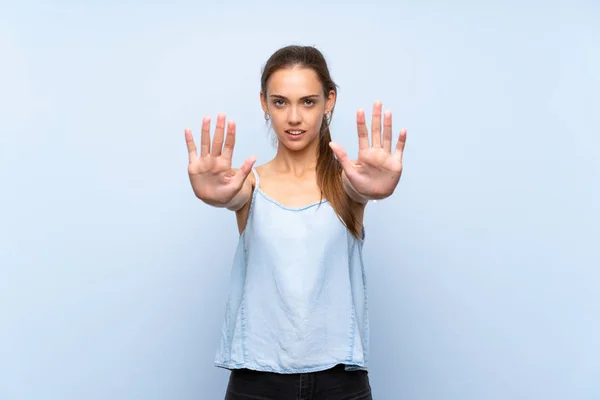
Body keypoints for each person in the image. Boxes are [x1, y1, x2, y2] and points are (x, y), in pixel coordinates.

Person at [184, 45, 407, 400]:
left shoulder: (348, 182)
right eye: (280, 102)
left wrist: (373, 190)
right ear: (264, 103)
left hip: (339, 383)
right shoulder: (249, 184)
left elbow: (360, 189)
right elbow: (235, 196)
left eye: (307, 101)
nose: (293, 117)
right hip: (256, 383)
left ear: (328, 101)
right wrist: (218, 195)